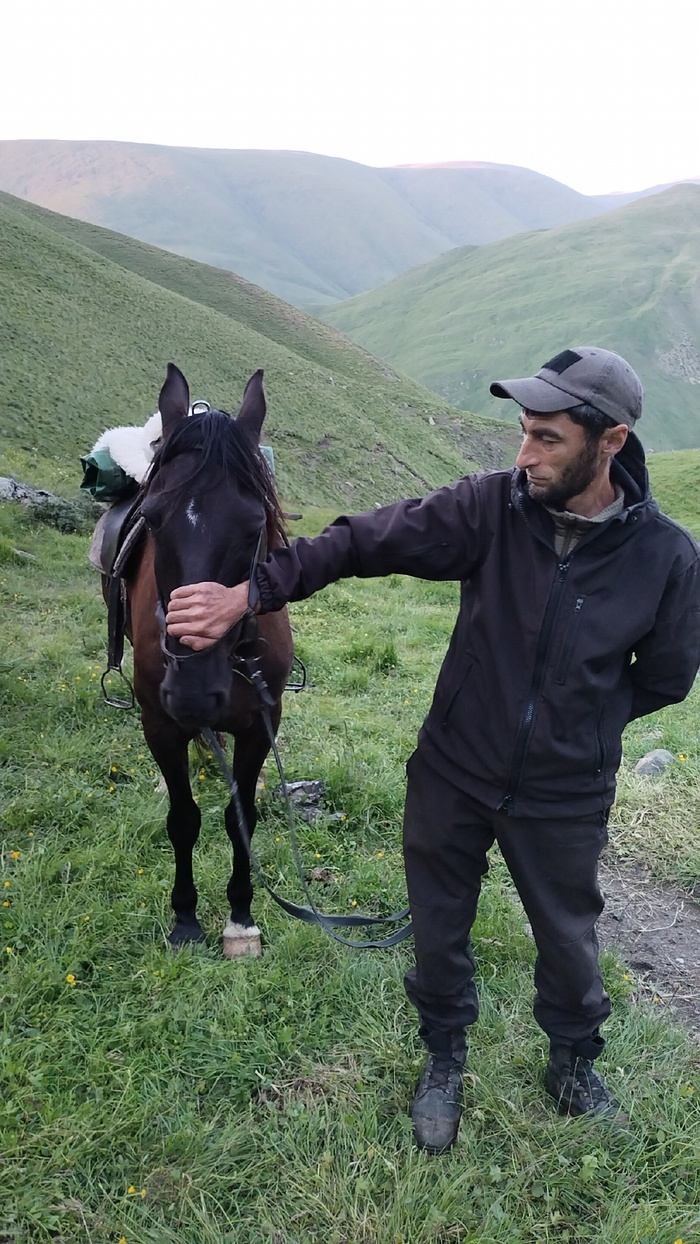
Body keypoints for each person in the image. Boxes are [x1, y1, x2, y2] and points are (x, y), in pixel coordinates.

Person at [166, 347, 700, 1153]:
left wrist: (580, 722)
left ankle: (571, 1061)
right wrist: (250, 593)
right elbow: (358, 543)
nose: (524, 455)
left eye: (547, 439)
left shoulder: (665, 555)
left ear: (611, 441)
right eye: (522, 433)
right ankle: (443, 1060)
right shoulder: (490, 509)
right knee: (441, 928)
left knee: (567, 937)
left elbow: (665, 677)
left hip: (565, 791)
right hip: (453, 769)